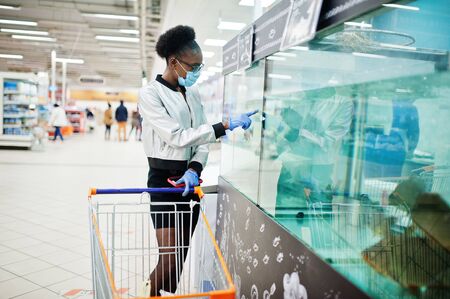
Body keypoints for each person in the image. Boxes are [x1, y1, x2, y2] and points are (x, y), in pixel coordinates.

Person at [138, 25, 257, 296]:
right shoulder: (150, 95)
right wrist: (223, 126)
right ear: (173, 62)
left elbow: (201, 142)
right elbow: (178, 137)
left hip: (189, 182)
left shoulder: (192, 94)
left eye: (200, 67)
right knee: (167, 257)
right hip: (163, 182)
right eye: (193, 67)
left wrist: (193, 168)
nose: (196, 73)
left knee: (180, 256)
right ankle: (148, 294)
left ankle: (166, 295)